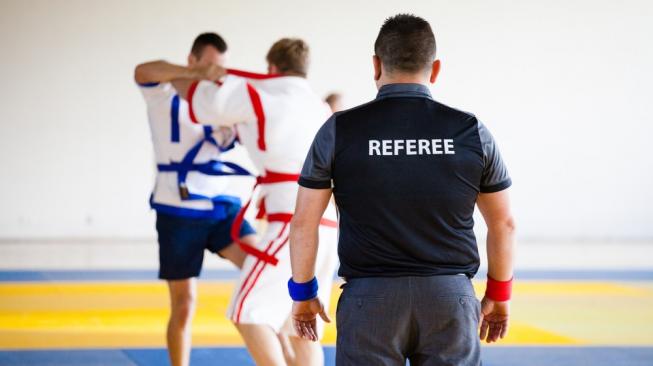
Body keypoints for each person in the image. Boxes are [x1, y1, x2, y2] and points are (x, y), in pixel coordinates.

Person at [288, 14, 516, 366]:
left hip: (370, 301)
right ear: (435, 69)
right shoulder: (472, 131)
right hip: (449, 298)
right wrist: (499, 293)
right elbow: (504, 224)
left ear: (376, 65)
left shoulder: (337, 130)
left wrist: (303, 294)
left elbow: (304, 221)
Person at [172, 38, 339, 366]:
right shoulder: (318, 105)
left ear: (272, 68)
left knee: (246, 311)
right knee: (301, 325)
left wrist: (179, 73)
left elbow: (197, 99)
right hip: (329, 222)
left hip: (295, 221)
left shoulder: (259, 93)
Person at [134, 33, 257, 366]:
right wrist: (198, 75)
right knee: (185, 302)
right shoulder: (163, 94)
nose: (217, 73)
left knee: (262, 274)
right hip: (178, 212)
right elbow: (143, 70)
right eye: (210, 64)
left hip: (222, 209)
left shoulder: (222, 103)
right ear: (193, 60)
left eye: (221, 67)